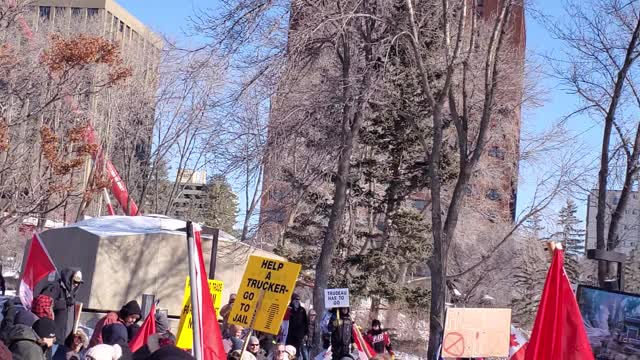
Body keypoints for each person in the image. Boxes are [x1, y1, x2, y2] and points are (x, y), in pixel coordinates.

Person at [40, 268, 83, 341]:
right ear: (69, 278)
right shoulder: (55, 287)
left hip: (65, 340)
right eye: (75, 281)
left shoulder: (71, 294)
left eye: (78, 283)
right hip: (52, 338)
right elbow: (43, 305)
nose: (76, 284)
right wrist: (64, 303)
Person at [285, 294, 308, 359]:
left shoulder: (302, 310)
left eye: (298, 300)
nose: (297, 302)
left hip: (299, 336)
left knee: (298, 352)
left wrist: (306, 333)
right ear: (292, 300)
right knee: (289, 351)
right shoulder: (288, 309)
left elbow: (305, 322)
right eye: (295, 300)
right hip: (289, 335)